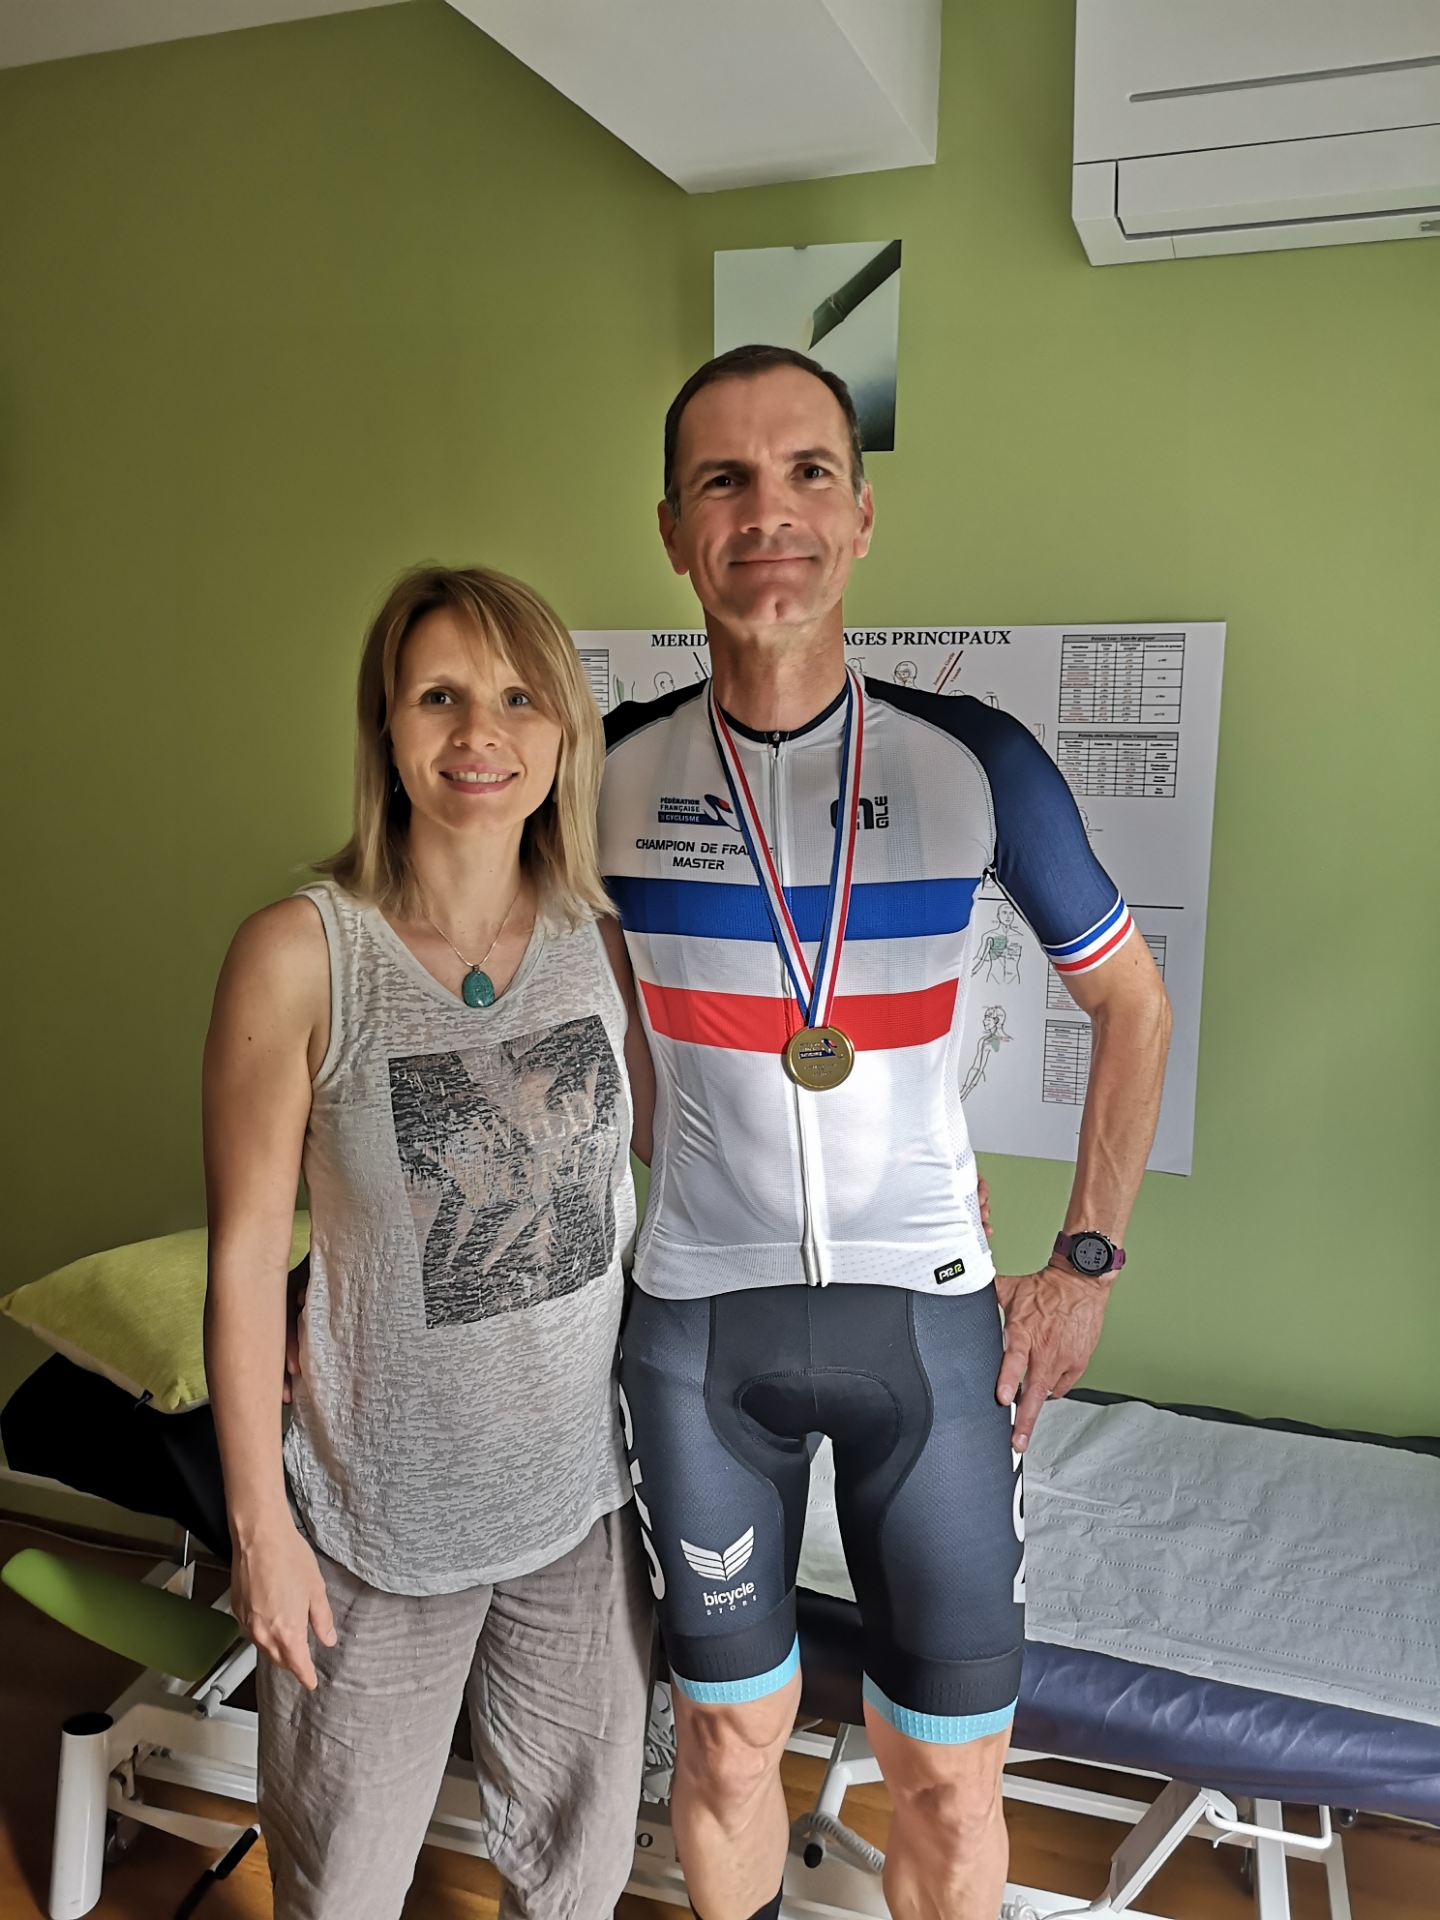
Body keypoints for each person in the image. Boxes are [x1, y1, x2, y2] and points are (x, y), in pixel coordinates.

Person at [598, 346, 1172, 1920]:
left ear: (862, 517)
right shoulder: (602, 774)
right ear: (674, 531)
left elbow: (1131, 1002)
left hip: (928, 1327)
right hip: (697, 1331)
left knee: (950, 1780)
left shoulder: (975, 763)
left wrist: (1084, 1265)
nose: (767, 512)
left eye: (807, 473)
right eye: (723, 479)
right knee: (726, 1747)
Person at [203, 565, 650, 1920]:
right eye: (439, 697)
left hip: (580, 1512)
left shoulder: (604, 943)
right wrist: (259, 1529)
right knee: (338, 1888)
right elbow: (243, 1259)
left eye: (518, 699)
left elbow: (695, 1155)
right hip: (371, 1529)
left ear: (563, 731)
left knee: (577, 1881)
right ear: (387, 729)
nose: (479, 735)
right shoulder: (301, 955)